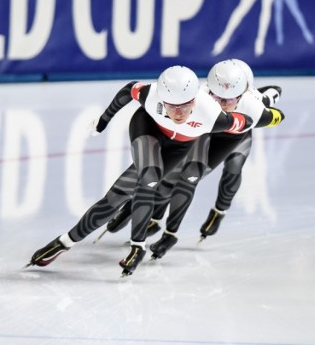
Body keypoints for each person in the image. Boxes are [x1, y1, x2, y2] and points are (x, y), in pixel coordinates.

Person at [25, 65, 254, 277]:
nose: (177, 113)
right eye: (170, 105)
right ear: (161, 99)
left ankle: (63, 241)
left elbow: (251, 120)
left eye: (184, 106)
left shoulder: (212, 114)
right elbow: (127, 91)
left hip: (178, 147)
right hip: (147, 128)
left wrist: (272, 116)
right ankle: (137, 246)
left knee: (115, 197)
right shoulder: (150, 94)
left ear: (195, 101)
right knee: (150, 178)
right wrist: (103, 121)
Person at [99, 59, 284, 260]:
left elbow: (276, 92)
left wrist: (268, 108)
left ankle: (213, 213)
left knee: (231, 167)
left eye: (230, 99)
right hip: (208, 131)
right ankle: (149, 212)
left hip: (235, 137)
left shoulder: (255, 104)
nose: (222, 104)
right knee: (177, 172)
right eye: (217, 97)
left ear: (244, 92)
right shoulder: (201, 93)